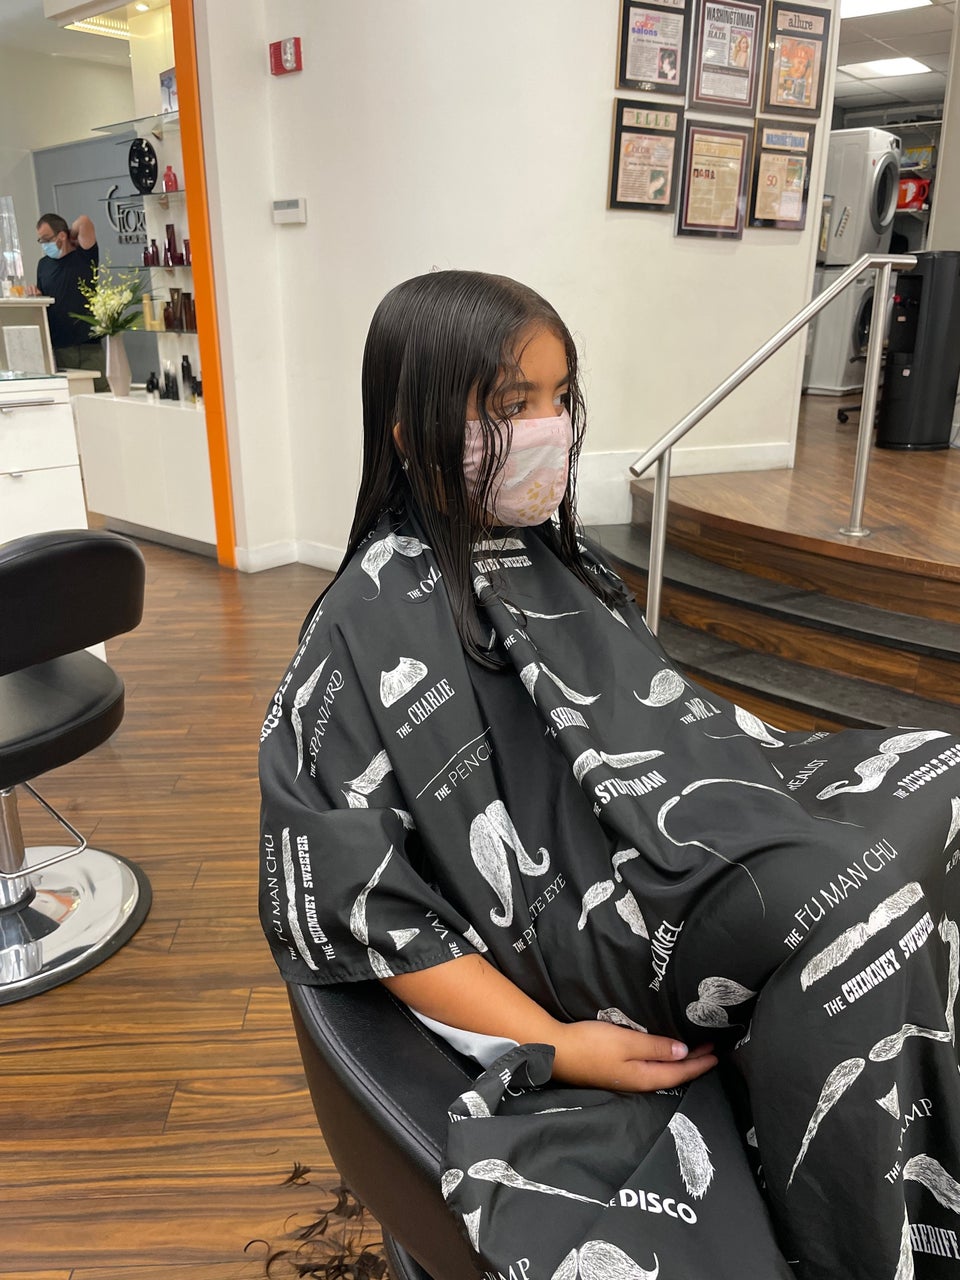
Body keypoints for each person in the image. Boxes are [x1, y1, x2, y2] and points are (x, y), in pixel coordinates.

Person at [259, 269, 960, 1279]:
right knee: (852, 900)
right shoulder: (359, 630)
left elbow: (658, 720)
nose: (548, 428)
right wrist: (555, 1042)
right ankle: (862, 1238)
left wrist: (751, 772)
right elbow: (363, 908)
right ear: (412, 430)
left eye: (559, 397)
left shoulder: (559, 562)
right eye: (512, 405)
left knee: (942, 770)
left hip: (675, 829)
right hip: (597, 929)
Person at [26, 212, 107, 390]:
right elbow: (45, 297)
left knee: (98, 392)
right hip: (59, 345)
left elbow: (84, 221)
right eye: (41, 240)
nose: (44, 244)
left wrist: (71, 235)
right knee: (69, 395)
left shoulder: (83, 256)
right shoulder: (43, 265)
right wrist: (36, 295)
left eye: (47, 239)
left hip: (87, 344)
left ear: (61, 235)